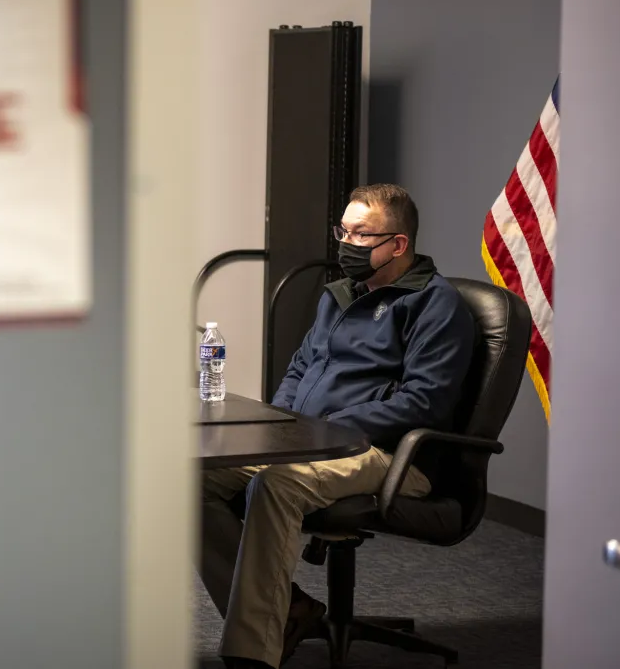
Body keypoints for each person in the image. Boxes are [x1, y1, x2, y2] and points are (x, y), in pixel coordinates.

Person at [200, 184, 477, 669]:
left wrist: (327, 430)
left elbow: (424, 402)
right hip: (310, 442)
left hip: (392, 456)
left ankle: (251, 654)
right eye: (343, 231)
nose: (347, 243)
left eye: (362, 234)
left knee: (277, 484)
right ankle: (286, 613)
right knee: (189, 479)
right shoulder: (338, 297)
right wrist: (281, 425)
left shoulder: (436, 305)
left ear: (398, 244)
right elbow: (299, 369)